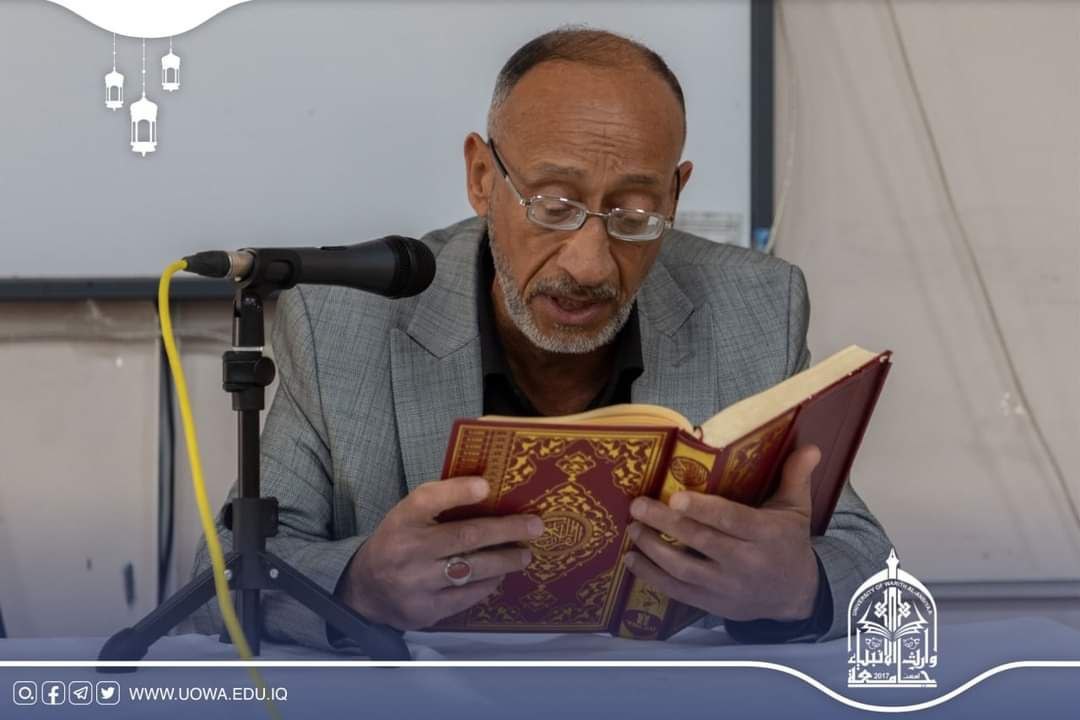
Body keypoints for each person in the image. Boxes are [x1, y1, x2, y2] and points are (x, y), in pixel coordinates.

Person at [192, 27, 891, 649]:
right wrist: (358, 585)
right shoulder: (344, 321)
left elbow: (870, 567)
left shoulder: (755, 308)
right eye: (554, 206)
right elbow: (221, 574)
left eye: (634, 214)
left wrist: (802, 587)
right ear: (481, 177)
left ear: (676, 195)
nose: (589, 265)